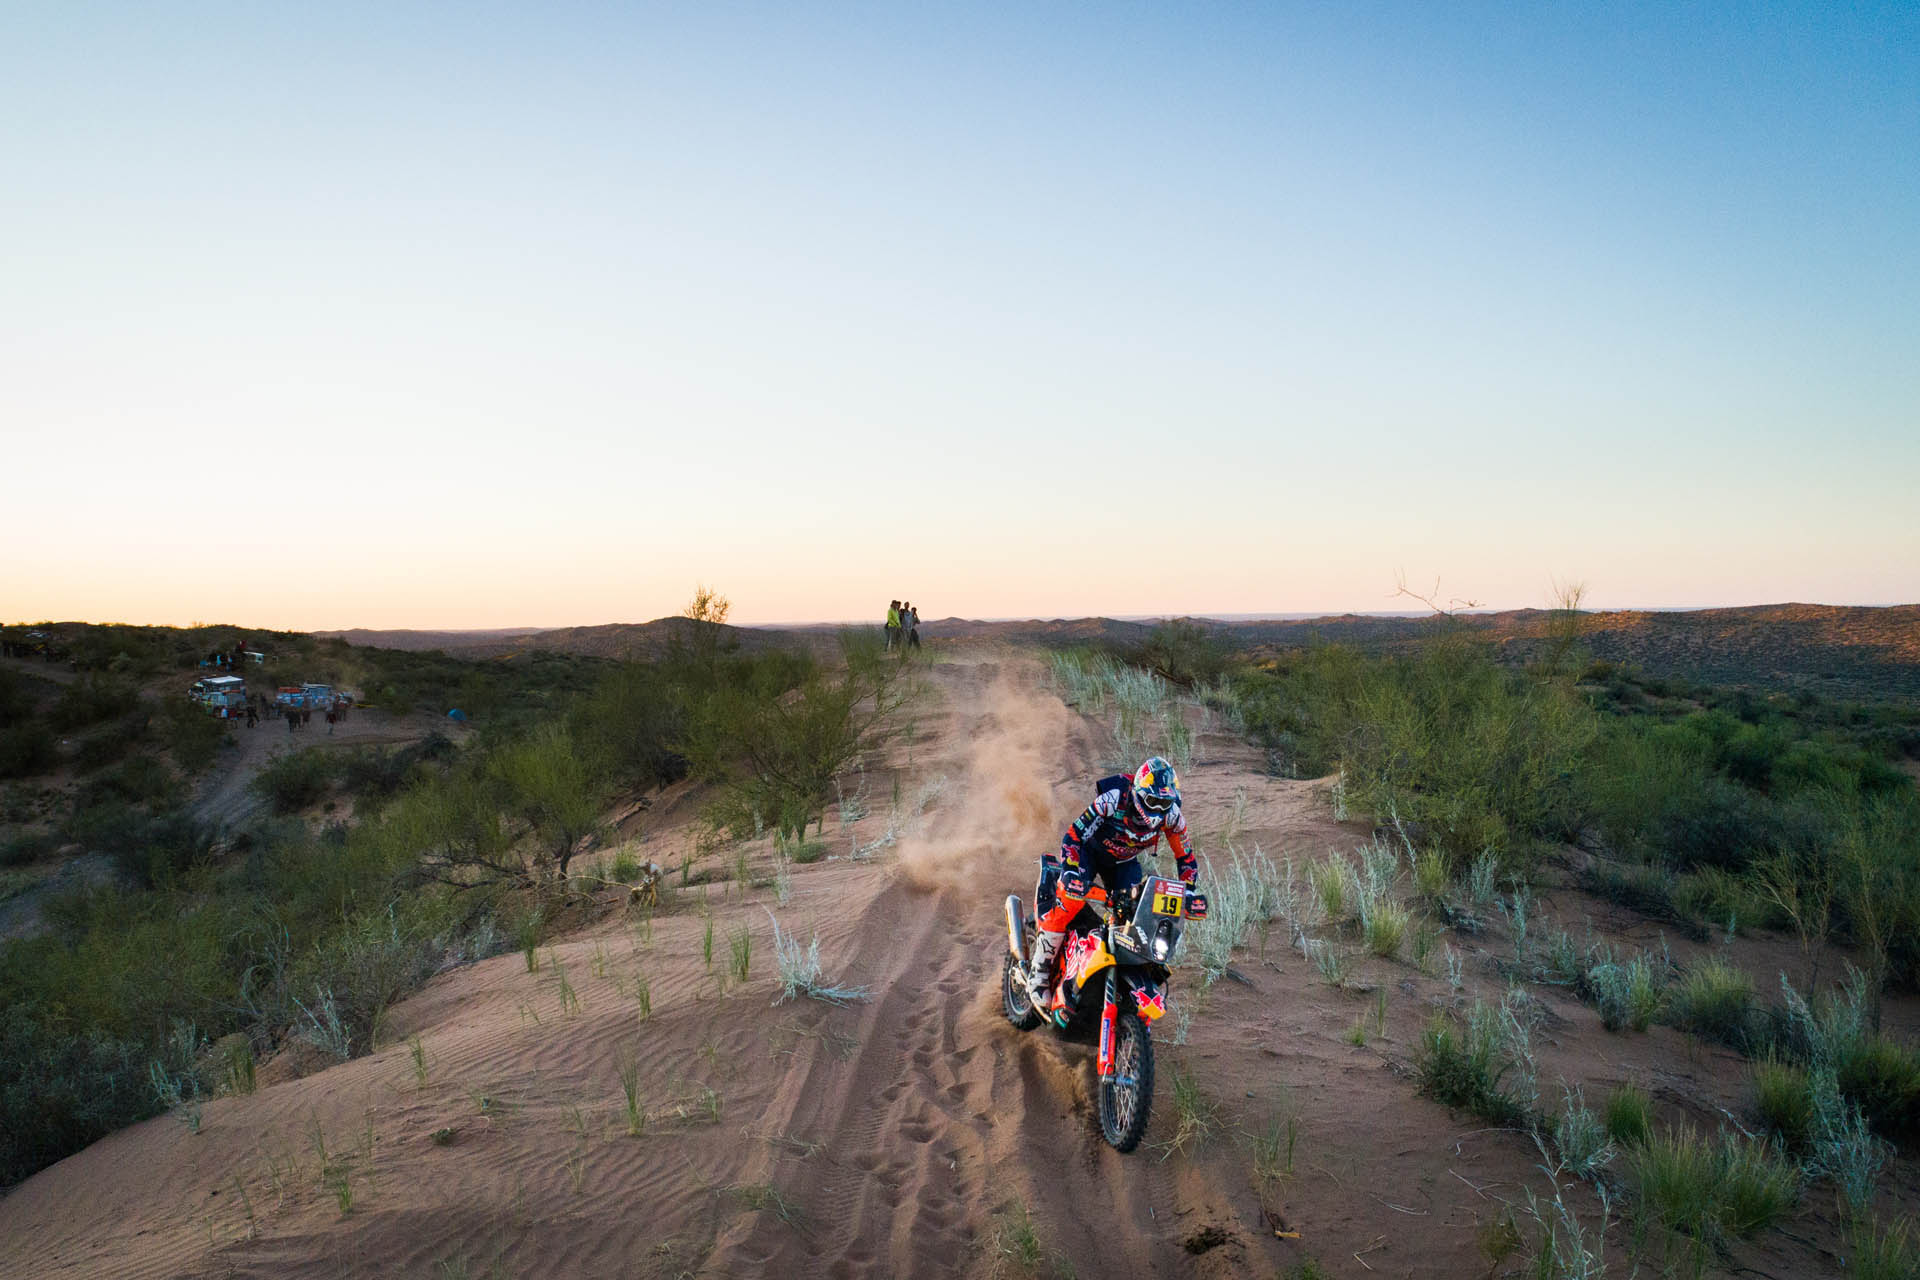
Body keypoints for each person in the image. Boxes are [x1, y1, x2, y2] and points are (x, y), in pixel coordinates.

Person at [1026, 756, 1199, 998]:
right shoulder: (1113, 799)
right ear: (1138, 794)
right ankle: (1040, 971)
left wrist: (1189, 892)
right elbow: (1074, 836)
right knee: (1071, 900)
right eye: (1153, 801)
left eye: (1165, 803)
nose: (1159, 810)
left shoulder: (1173, 817)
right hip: (1089, 853)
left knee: (1133, 915)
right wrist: (1071, 871)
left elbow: (1186, 859)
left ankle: (1112, 979)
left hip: (1123, 862)